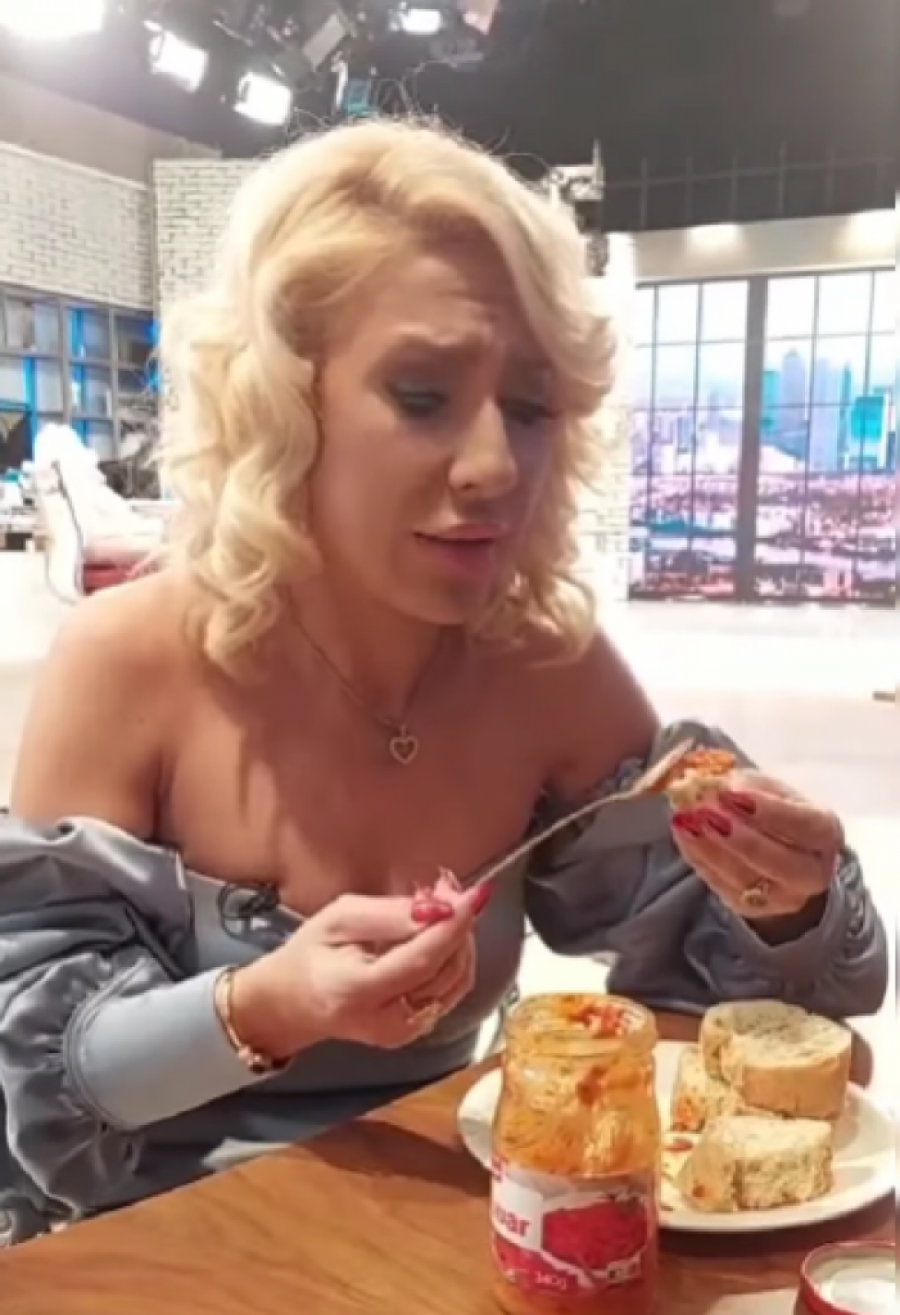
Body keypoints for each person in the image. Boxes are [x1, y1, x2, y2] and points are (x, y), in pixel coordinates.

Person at [0, 120, 886, 1244]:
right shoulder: (132, 658)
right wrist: (262, 1004)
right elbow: (38, 1091)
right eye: (422, 396)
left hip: (442, 1223)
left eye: (530, 407)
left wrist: (786, 901)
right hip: (162, 1238)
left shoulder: (545, 661)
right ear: (286, 401)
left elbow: (762, 1021)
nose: (495, 467)